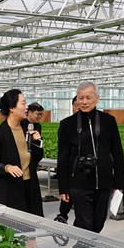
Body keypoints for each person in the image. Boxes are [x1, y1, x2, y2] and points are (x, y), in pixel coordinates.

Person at [57, 82, 124, 235]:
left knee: (98, 222)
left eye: (88, 97)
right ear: (76, 99)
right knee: (85, 222)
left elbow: (118, 153)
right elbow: (63, 159)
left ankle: (84, 245)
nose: (84, 102)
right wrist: (64, 187)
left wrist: (118, 182)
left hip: (104, 182)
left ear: (97, 98)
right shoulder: (67, 124)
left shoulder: (108, 121)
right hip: (79, 183)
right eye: (81, 98)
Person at [0, 89, 44, 216]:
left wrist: (37, 142)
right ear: (12, 108)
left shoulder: (28, 127)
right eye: (23, 103)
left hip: (30, 186)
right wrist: (7, 167)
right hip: (9, 188)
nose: (27, 107)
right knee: (14, 223)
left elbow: (37, 157)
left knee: (32, 222)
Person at [54, 96, 79, 224]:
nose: (78, 107)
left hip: (81, 172)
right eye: (75, 105)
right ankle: (62, 216)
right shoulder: (66, 124)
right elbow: (63, 154)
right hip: (69, 168)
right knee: (67, 196)